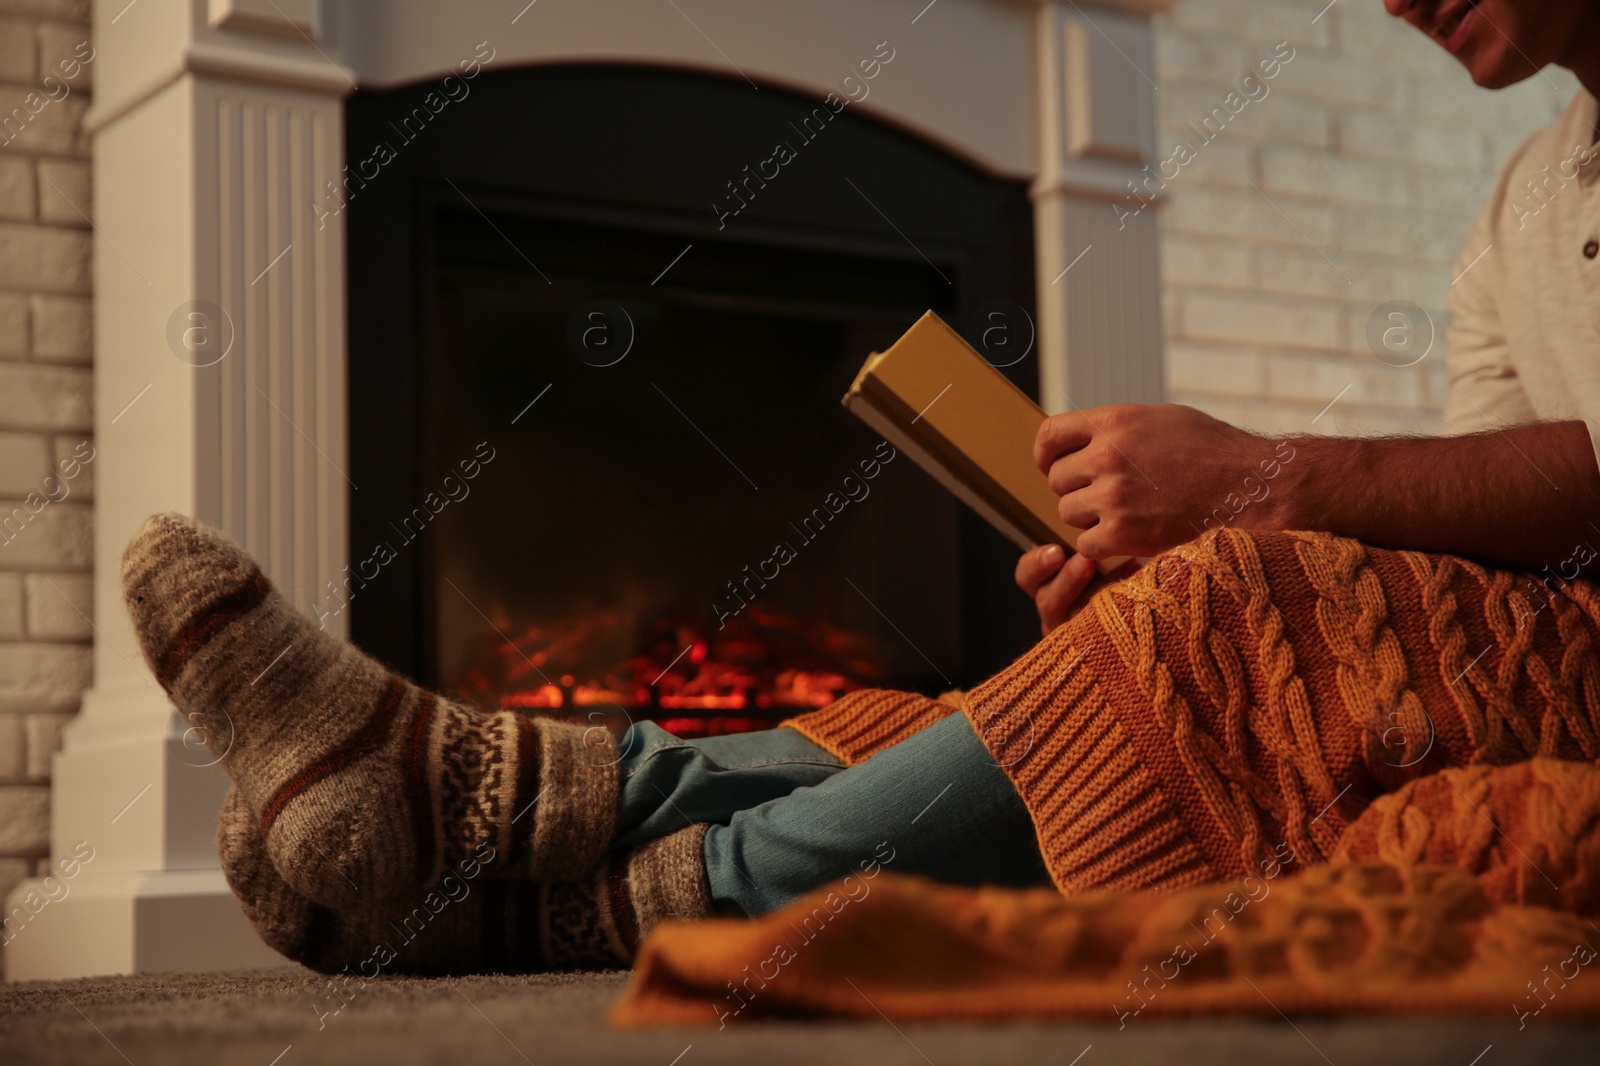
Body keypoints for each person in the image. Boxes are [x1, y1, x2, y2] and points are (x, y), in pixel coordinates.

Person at [130, 0, 1600, 976]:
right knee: (1083, 663)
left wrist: (1260, 491)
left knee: (1234, 598)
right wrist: (1198, 555)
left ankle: (512, 840)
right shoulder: (1523, 201)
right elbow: (1501, 539)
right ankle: (484, 832)